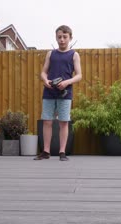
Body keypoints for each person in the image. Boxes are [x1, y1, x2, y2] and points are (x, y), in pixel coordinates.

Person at [34, 25, 82, 161]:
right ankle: (46, 152)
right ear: (56, 37)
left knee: (64, 122)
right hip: (49, 93)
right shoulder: (51, 54)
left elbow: (79, 75)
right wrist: (45, 80)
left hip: (65, 94)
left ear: (70, 38)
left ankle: (62, 152)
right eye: (59, 37)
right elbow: (43, 72)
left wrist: (66, 82)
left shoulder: (74, 55)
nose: (62, 40)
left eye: (65, 37)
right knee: (47, 121)